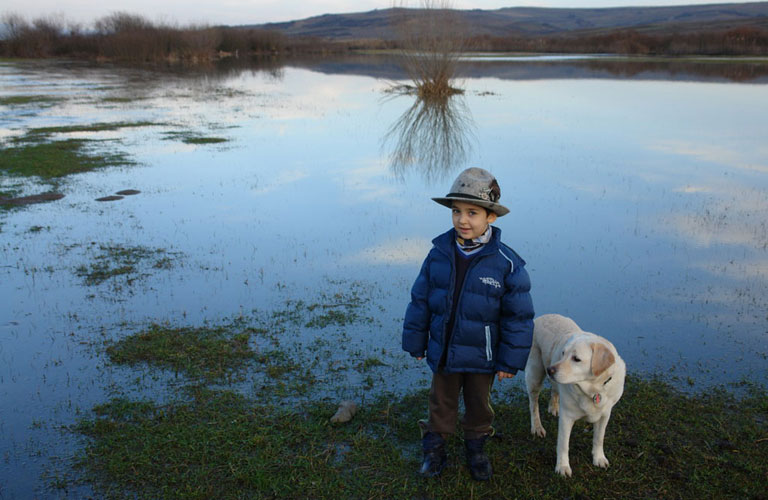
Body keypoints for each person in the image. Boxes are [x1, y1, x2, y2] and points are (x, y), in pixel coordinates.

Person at [402, 167, 534, 481]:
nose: (463, 220)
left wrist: (509, 361)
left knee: (479, 405)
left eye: (472, 212)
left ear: (491, 217)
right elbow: (420, 300)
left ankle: (476, 448)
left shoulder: (507, 263)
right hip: (445, 351)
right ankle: (435, 448)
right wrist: (416, 342)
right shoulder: (438, 255)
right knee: (440, 400)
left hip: (483, 356)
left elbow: (518, 318)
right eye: (457, 212)